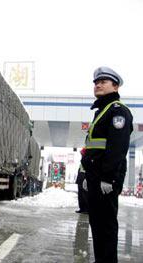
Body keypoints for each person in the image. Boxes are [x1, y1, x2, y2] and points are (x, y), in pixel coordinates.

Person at [81, 66, 133, 263]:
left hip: (106, 179)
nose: (98, 85)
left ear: (115, 86)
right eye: (96, 82)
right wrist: (87, 174)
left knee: (106, 225)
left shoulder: (118, 111)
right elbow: (93, 148)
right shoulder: (103, 110)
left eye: (103, 82)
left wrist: (108, 178)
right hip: (96, 177)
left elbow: (117, 148)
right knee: (97, 223)